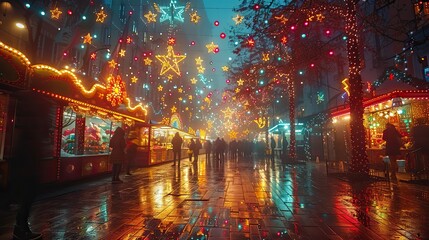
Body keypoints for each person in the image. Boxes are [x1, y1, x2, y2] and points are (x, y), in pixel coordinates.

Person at [9, 91, 50, 239]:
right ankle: (21, 228)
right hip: (29, 165)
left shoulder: (27, 122)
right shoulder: (35, 125)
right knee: (28, 195)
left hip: (27, 164)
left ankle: (21, 227)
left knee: (27, 196)